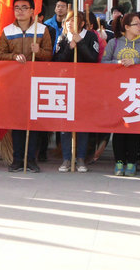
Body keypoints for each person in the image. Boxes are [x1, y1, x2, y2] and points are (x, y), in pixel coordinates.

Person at [0, 0, 53, 172]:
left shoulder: (42, 30)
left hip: (35, 82)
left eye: (24, 7)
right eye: (17, 8)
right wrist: (14, 56)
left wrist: (39, 51)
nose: (20, 11)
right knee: (17, 123)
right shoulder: (7, 31)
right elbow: (0, 54)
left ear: (32, 11)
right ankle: (17, 159)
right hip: (14, 83)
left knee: (33, 123)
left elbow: (49, 54)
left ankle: (31, 160)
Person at [101, 12, 140, 176]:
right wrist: (117, 63)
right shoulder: (114, 43)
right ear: (127, 27)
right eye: (137, 24)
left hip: (137, 91)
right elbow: (103, 63)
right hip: (117, 91)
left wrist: (136, 62)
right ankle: (119, 161)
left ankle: (132, 161)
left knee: (135, 127)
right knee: (119, 127)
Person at [53, 11, 99, 172]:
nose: (69, 23)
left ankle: (81, 158)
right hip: (65, 84)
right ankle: (67, 158)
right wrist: (69, 47)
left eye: (73, 20)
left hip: (85, 85)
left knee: (83, 123)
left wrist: (81, 43)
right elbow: (57, 60)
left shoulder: (90, 36)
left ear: (81, 23)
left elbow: (93, 59)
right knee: (65, 123)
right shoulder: (63, 38)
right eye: (68, 20)